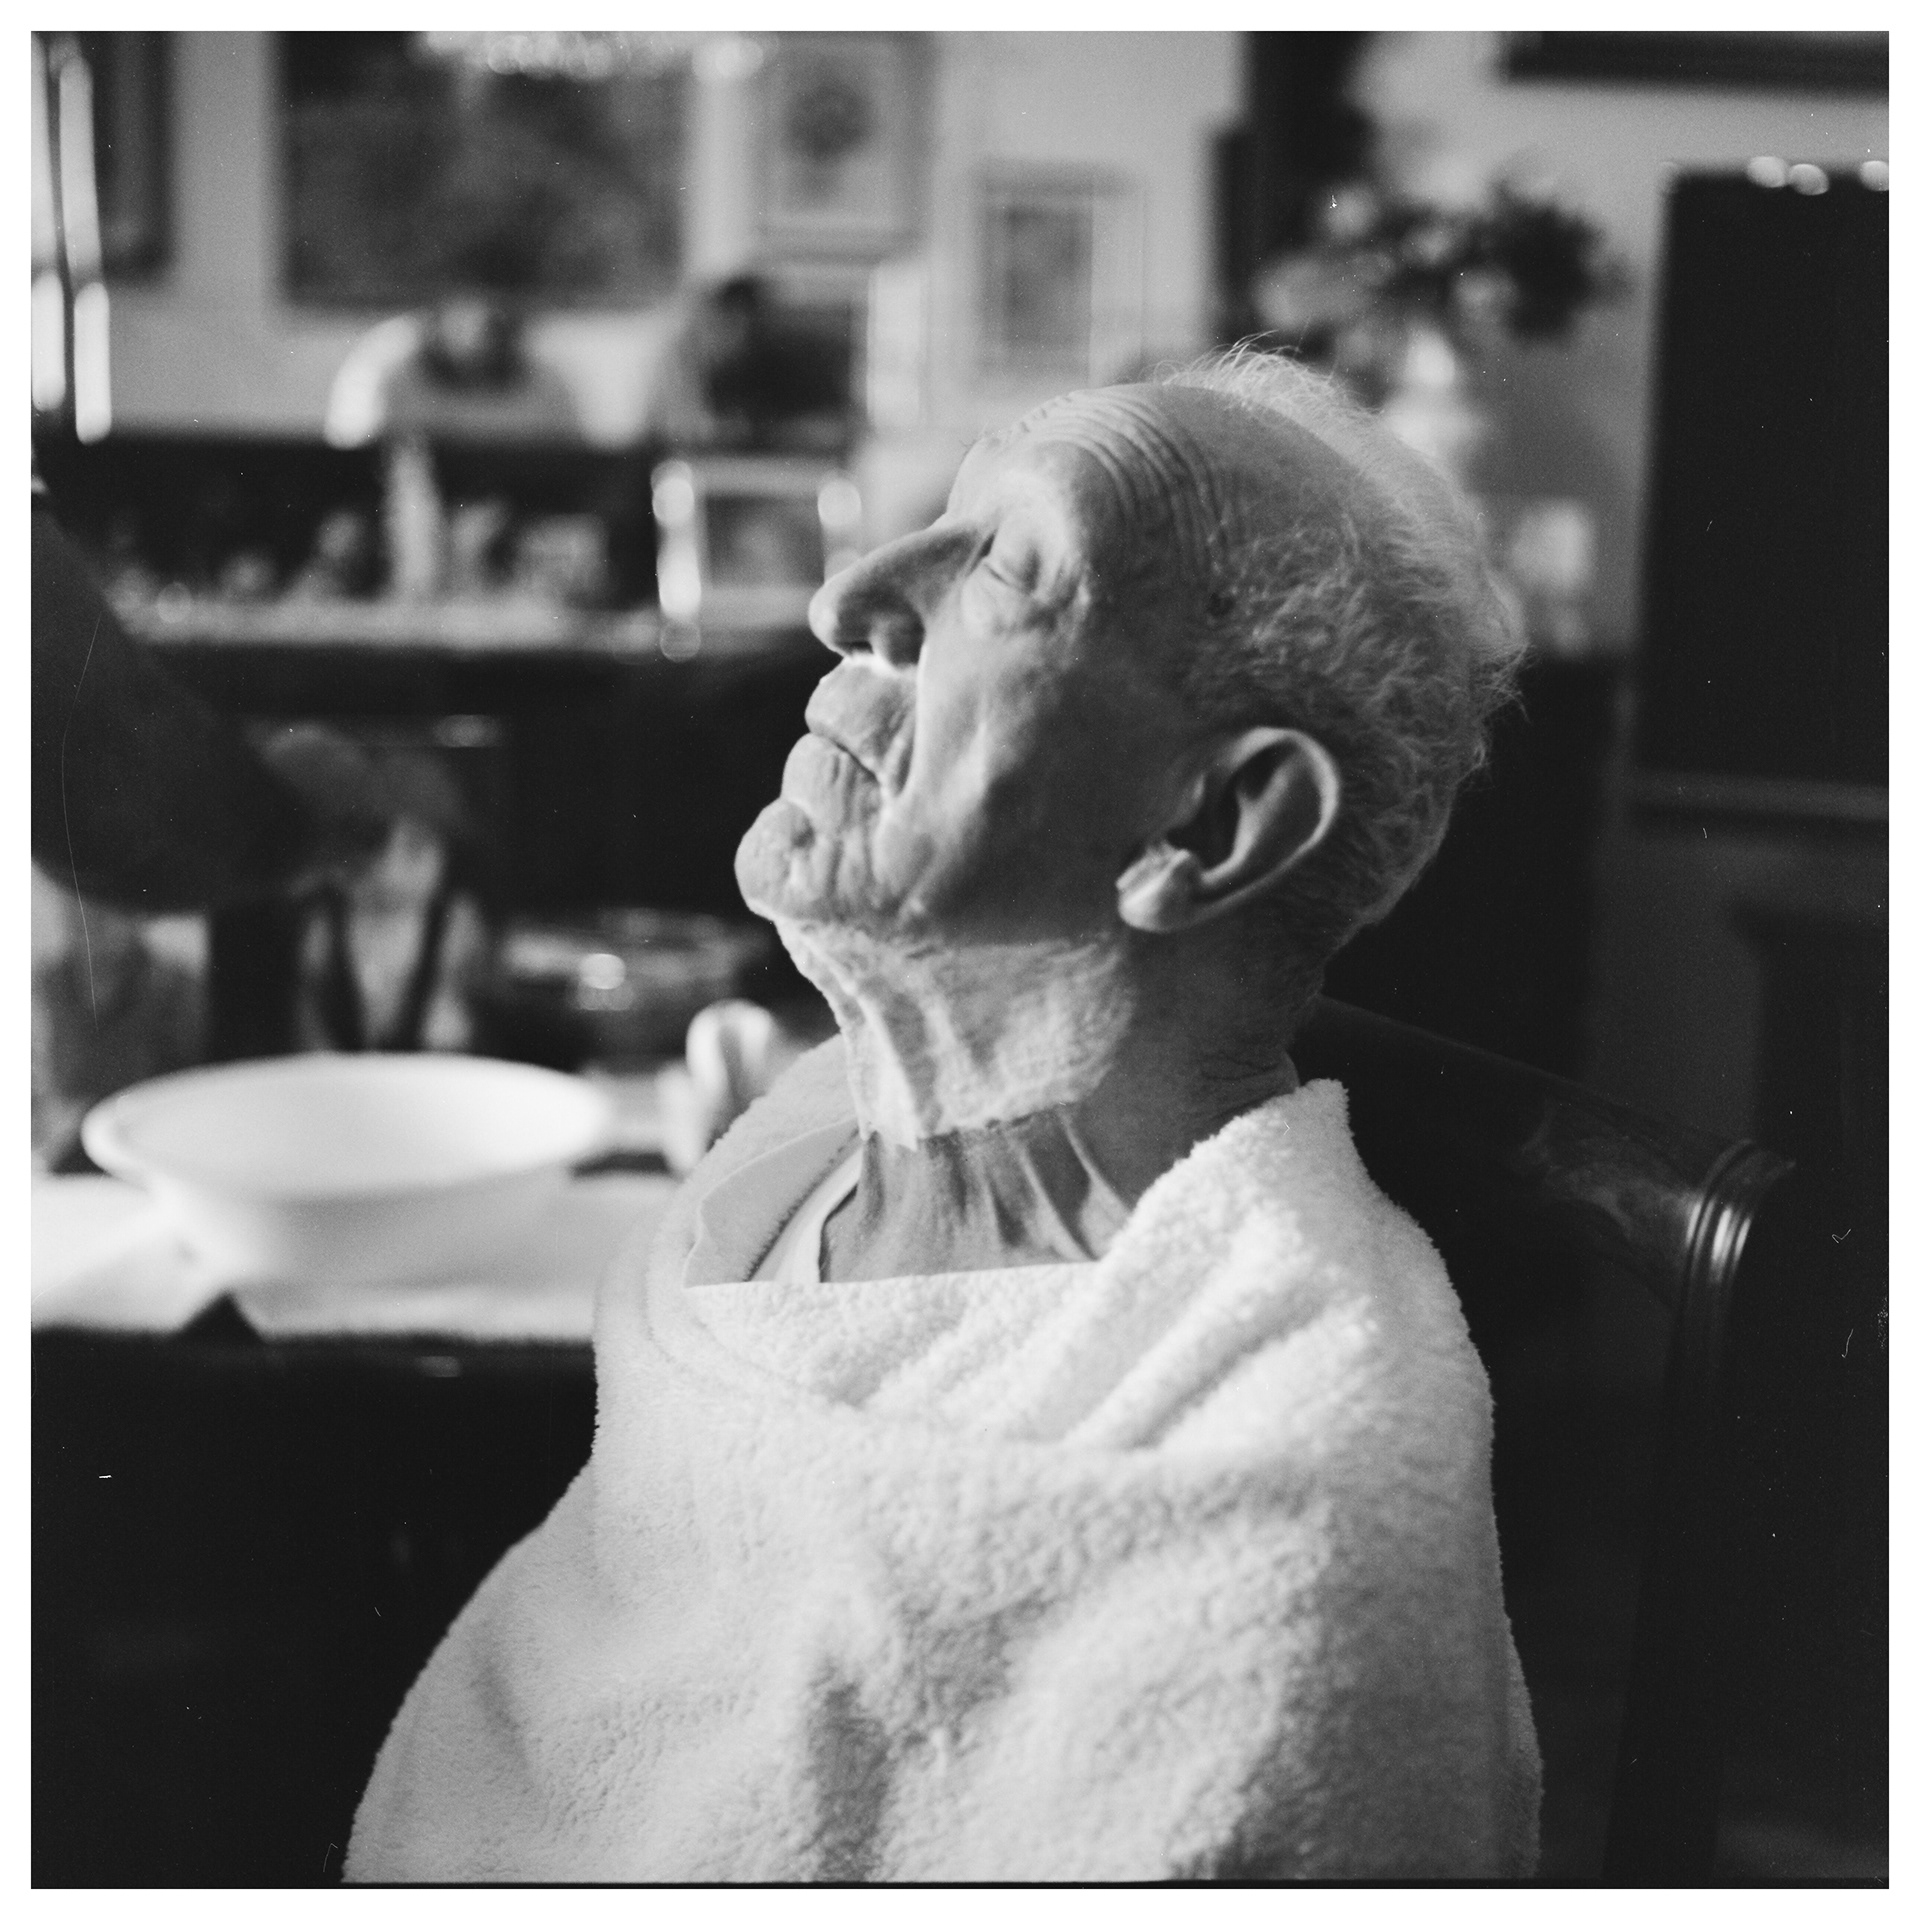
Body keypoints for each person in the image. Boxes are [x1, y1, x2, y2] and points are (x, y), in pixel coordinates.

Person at [346, 350, 1541, 1882]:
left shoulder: (1294, 1498)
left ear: (1208, 823)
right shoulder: (797, 1170)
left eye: (1010, 571)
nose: (850, 599)